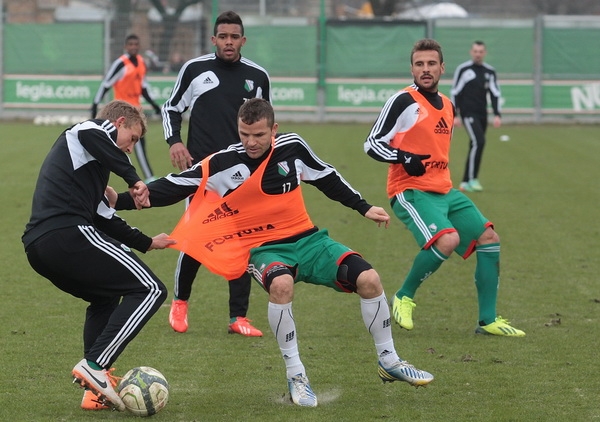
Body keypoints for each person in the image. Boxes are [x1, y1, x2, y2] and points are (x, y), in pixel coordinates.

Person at [113, 98, 434, 407]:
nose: (251, 142)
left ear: (274, 129)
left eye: (259, 135)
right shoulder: (224, 162)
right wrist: (120, 201)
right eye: (244, 134)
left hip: (308, 240)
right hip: (264, 249)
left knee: (369, 278)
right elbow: (172, 186)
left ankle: (389, 360)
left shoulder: (292, 148)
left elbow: (326, 177)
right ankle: (297, 376)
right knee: (282, 286)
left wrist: (363, 207)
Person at [363, 39, 525, 337]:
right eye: (419, 64)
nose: (426, 70)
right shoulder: (403, 100)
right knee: (447, 240)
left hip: (444, 190)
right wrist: (403, 157)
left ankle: (487, 321)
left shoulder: (449, 106)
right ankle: (403, 296)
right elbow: (372, 143)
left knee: (489, 238)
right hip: (409, 189)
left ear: (442, 68)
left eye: (431, 64)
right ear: (411, 68)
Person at [22, 100, 175, 412]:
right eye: (132, 138)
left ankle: (94, 391)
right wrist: (134, 179)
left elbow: (105, 217)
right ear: (118, 123)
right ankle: (96, 364)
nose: (131, 148)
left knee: (105, 298)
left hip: (40, 247)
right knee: (151, 289)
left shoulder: (89, 168)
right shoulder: (90, 130)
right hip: (65, 233)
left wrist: (148, 242)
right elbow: (95, 137)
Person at [161, 10, 271, 336]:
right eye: (222, 36)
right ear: (213, 39)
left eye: (234, 37)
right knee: (194, 239)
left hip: (244, 174)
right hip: (203, 173)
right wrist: (174, 142)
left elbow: (263, 126)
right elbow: (171, 107)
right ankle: (180, 303)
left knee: (242, 242)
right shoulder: (195, 69)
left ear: (243, 40)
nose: (228, 42)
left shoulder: (258, 77)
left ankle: (238, 317)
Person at [91, 34, 162, 183]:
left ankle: (148, 177)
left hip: (136, 110)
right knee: (115, 144)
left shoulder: (141, 63)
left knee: (138, 141)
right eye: (130, 44)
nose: (133, 47)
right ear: (125, 47)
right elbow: (106, 84)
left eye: (136, 44)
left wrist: (155, 106)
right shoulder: (120, 64)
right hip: (121, 112)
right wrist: (95, 104)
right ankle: (146, 177)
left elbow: (143, 88)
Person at [450, 40, 502, 192]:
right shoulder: (464, 69)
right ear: (471, 52)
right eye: (475, 51)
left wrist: (497, 114)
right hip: (468, 113)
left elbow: (494, 93)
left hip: (482, 114)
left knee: (476, 144)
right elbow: (455, 92)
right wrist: (455, 114)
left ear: (484, 53)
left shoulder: (489, 71)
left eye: (480, 52)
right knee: (479, 141)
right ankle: (472, 179)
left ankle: (466, 181)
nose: (478, 54)